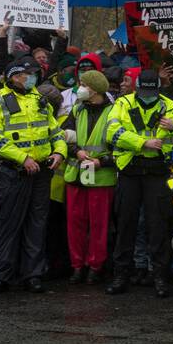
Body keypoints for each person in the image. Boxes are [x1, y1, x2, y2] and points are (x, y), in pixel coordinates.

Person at [105, 69, 173, 296]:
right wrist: (142, 142)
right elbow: (111, 133)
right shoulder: (123, 104)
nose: (148, 95)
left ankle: (159, 277)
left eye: (152, 91)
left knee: (157, 225)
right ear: (138, 88)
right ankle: (121, 275)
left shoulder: (172, 107)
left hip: (158, 173)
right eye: (144, 91)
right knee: (126, 223)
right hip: (130, 169)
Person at [0, 57, 68, 292]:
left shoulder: (40, 100)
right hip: (14, 172)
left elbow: (55, 132)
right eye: (28, 74)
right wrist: (23, 158)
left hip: (41, 171)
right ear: (14, 76)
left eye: (34, 74)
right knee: (9, 223)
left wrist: (60, 152)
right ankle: (1, 275)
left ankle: (33, 274)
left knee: (36, 223)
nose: (33, 78)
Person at [61, 69, 116, 284]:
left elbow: (118, 145)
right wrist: (76, 152)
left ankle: (95, 266)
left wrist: (101, 161)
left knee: (98, 225)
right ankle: (77, 266)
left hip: (101, 176)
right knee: (75, 224)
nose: (79, 88)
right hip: (76, 174)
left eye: (83, 84)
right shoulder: (77, 110)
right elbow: (66, 137)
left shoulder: (113, 113)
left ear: (94, 90)